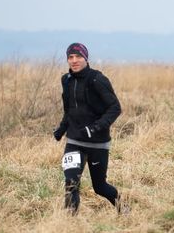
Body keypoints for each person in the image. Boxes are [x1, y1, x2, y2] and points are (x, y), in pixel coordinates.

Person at [51, 42, 127, 215]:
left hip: (97, 143)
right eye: (70, 57)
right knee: (71, 182)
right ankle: (69, 223)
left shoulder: (97, 79)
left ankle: (124, 208)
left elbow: (115, 108)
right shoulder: (67, 80)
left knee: (100, 187)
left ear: (86, 58)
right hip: (74, 141)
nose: (74, 60)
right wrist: (61, 129)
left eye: (78, 56)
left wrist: (95, 128)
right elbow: (69, 109)